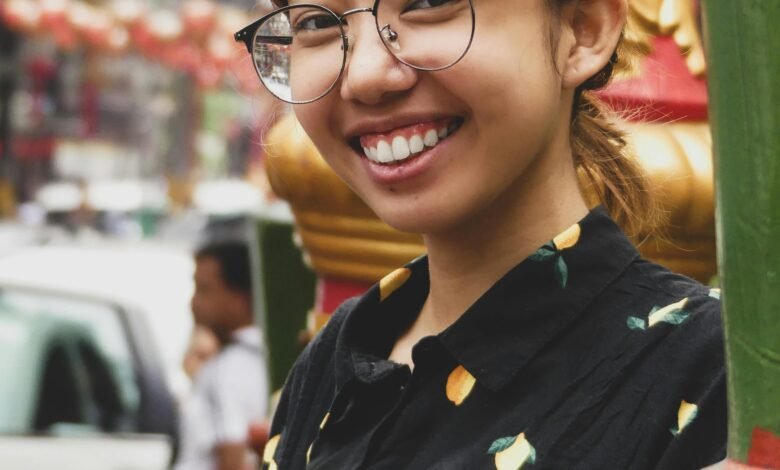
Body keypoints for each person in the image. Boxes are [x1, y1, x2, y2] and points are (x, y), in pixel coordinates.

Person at [234, 0, 726, 468]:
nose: (363, 76)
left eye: (428, 3)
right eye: (316, 22)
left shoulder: (716, 375)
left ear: (582, 29)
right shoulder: (333, 359)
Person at [174, 241, 269, 470]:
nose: (194, 303)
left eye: (204, 289)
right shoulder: (263, 359)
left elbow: (233, 457)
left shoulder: (228, 369)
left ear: (240, 298)